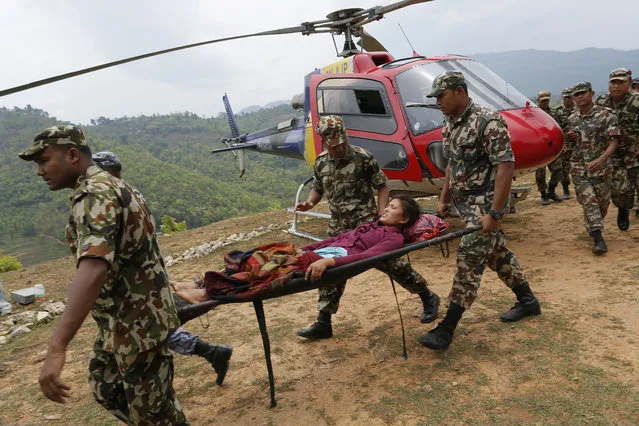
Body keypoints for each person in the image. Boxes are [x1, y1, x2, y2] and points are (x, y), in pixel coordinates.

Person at [20, 126, 189, 425]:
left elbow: (94, 266)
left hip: (139, 326)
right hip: (121, 322)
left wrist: (57, 345)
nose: (39, 171)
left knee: (153, 415)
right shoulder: (109, 184)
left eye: (44, 160)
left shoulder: (94, 194)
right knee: (106, 386)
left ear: (72, 155)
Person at [418, 71, 541, 351]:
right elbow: (451, 164)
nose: (437, 101)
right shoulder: (450, 123)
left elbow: (505, 167)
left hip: (485, 204)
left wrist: (495, 214)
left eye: (441, 96)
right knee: (498, 254)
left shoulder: (488, 121)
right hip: (465, 204)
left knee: (469, 259)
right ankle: (528, 301)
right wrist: (444, 198)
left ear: (459, 91)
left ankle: (446, 328)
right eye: (435, 97)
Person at [92, 151, 233, 386]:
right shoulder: (129, 194)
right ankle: (211, 353)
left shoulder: (112, 201)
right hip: (142, 282)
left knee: (152, 332)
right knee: (153, 331)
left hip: (135, 287)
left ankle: (209, 354)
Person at [293, 115, 440, 339]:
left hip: (366, 226)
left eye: (342, 144)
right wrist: (309, 203)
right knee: (330, 273)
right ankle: (324, 321)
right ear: (324, 142)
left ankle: (427, 296)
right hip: (339, 227)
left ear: (345, 137)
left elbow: (382, 186)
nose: (339, 149)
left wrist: (381, 214)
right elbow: (318, 189)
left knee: (393, 265)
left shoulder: (362, 158)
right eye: (334, 146)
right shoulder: (321, 161)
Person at [172, 195, 421, 304]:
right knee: (261, 254)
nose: (386, 208)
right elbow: (336, 239)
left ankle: (207, 293)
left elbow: (366, 257)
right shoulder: (371, 225)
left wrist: (328, 263)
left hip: (323, 263)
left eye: (394, 208)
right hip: (315, 255)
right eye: (388, 205)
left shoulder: (393, 239)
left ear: (403, 220)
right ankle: (204, 285)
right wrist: (306, 248)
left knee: (265, 270)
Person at [566, 82, 619, 254]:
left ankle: (594, 223)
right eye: (576, 95)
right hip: (579, 167)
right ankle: (598, 238)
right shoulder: (572, 118)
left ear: (592, 93)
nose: (579, 97)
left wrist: (602, 159)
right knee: (589, 200)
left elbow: (614, 142)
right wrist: (571, 138)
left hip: (601, 168)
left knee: (602, 202)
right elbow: (570, 144)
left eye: (582, 93)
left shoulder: (606, 115)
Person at [594, 68, 639, 230]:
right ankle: (623, 209)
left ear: (629, 83)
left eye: (621, 82)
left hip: (636, 154)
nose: (616, 86)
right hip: (615, 157)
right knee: (620, 192)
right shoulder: (601, 103)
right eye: (613, 82)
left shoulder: (636, 103)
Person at [551, 87, 576, 199]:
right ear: (562, 98)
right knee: (564, 169)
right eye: (566, 97)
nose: (568, 100)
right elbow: (556, 129)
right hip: (565, 145)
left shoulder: (579, 110)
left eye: (570, 97)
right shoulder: (557, 111)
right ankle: (566, 190)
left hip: (578, 144)